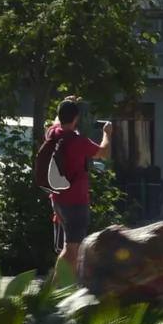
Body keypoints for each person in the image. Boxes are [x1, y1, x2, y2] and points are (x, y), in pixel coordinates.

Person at [42, 98, 110, 271]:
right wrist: (107, 133)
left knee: (72, 247)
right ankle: (56, 288)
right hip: (75, 202)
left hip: (57, 199)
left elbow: (58, 121)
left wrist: (67, 102)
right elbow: (103, 152)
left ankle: (67, 286)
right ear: (77, 119)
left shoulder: (52, 133)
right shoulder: (79, 142)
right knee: (72, 249)